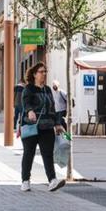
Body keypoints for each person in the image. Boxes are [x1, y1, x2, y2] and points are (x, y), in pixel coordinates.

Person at [19, 63, 66, 193]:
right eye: (41, 72)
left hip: (47, 127)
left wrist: (57, 123)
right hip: (31, 126)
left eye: (45, 71)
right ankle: (25, 181)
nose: (44, 74)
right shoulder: (28, 89)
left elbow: (53, 108)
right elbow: (26, 103)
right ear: (34, 74)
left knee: (47, 154)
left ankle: (52, 180)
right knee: (29, 154)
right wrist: (30, 111)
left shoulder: (47, 89)